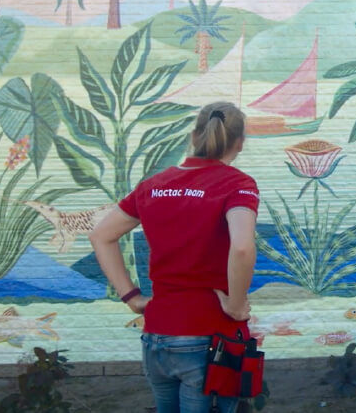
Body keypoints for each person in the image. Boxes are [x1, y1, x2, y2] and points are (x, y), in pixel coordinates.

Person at [89, 101, 259, 413]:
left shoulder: (153, 186)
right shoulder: (237, 184)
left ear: (194, 137)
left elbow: (101, 236)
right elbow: (242, 247)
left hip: (157, 335)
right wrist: (236, 306)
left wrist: (131, 297)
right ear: (240, 142)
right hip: (210, 336)